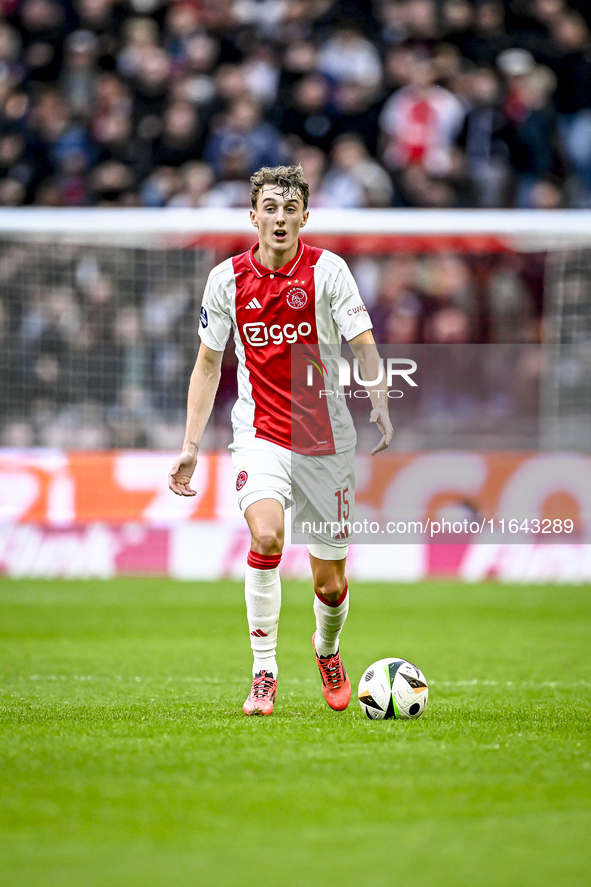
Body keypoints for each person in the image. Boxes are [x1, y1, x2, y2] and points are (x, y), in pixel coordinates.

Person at [168, 164, 393, 716]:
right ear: (253, 215)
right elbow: (207, 364)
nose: (279, 217)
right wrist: (191, 446)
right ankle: (264, 672)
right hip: (260, 434)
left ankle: (327, 649)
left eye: (290, 208)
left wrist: (380, 401)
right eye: (270, 207)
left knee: (331, 584)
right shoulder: (226, 279)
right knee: (266, 538)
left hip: (325, 441)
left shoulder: (329, 272)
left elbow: (363, 343)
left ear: (304, 217)